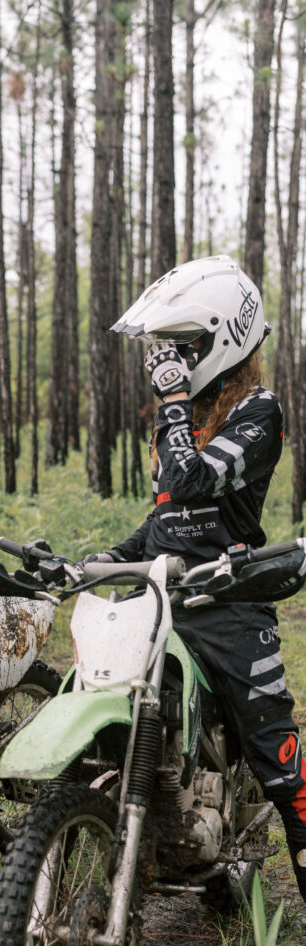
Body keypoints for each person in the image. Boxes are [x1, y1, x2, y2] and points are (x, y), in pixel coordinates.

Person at [93, 253, 306, 902]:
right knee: (101, 700)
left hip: (230, 598)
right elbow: (169, 512)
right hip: (167, 591)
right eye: (170, 351)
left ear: (223, 337)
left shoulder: (257, 411)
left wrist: (173, 404)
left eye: (185, 348)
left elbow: (194, 480)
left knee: (278, 755)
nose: (173, 363)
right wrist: (107, 557)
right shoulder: (187, 413)